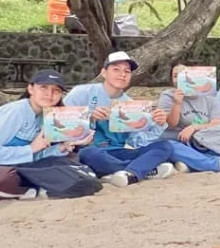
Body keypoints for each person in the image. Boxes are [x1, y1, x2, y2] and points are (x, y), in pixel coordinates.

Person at [0, 70, 91, 202]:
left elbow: (33, 156)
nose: (49, 94)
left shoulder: (47, 117)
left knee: (67, 160)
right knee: (5, 178)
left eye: (56, 90)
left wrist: (60, 148)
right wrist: (31, 148)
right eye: (43, 87)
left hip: (17, 166)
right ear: (31, 89)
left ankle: (34, 188)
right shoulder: (13, 112)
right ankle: (33, 188)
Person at [65, 51, 176, 186]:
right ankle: (141, 170)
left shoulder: (129, 104)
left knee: (164, 146)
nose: (122, 74)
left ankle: (122, 173)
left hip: (118, 152)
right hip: (89, 151)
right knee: (89, 154)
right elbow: (60, 125)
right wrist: (89, 118)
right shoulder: (81, 93)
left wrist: (159, 124)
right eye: (116, 69)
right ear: (104, 72)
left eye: (127, 71)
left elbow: (137, 142)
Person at [158, 65, 220, 173]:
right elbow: (171, 124)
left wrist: (194, 127)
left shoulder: (210, 97)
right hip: (175, 139)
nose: (180, 79)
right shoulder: (168, 96)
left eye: (185, 75)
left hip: (199, 140)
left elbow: (217, 124)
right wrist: (177, 103)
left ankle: (188, 164)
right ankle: (215, 164)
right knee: (169, 146)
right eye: (176, 76)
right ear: (172, 79)